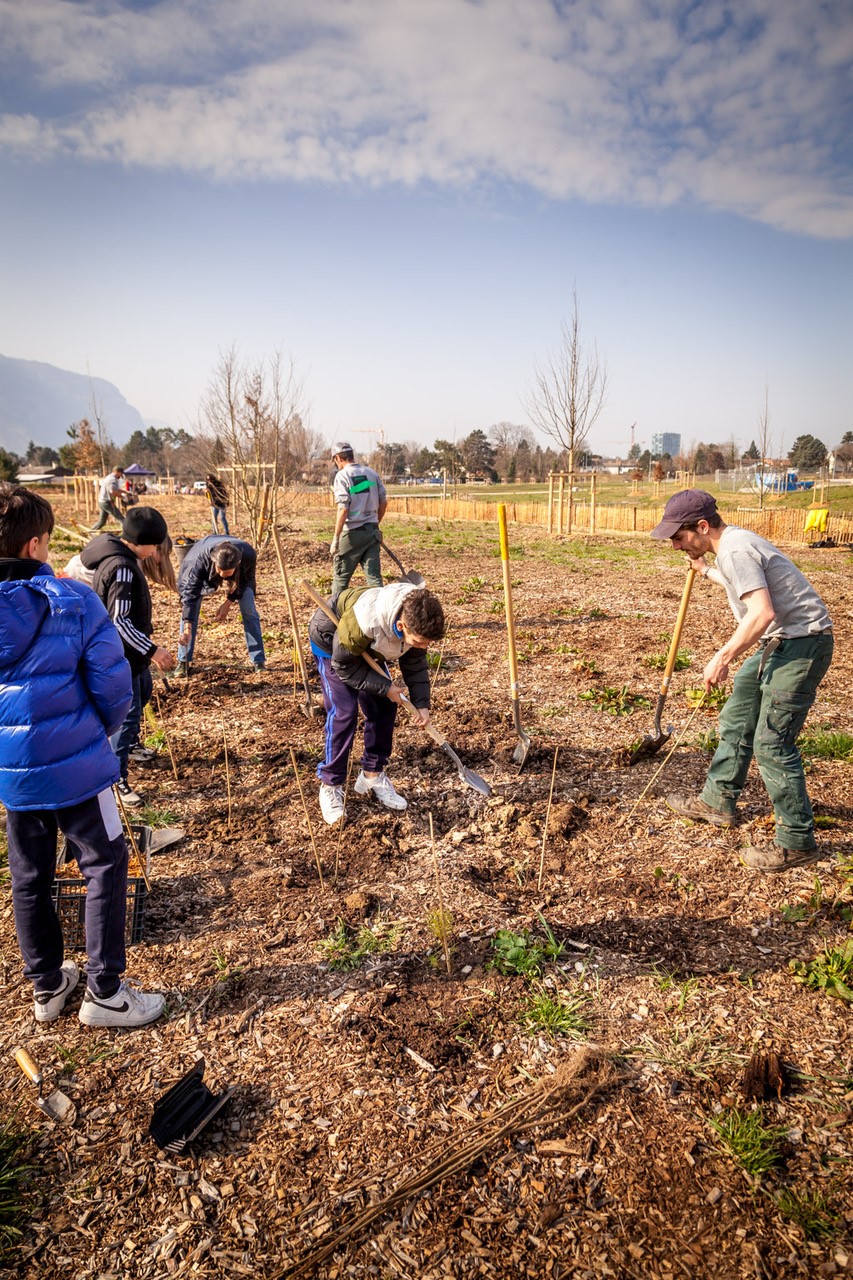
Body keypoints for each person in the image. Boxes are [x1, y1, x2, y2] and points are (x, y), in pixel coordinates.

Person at [0, 482, 165, 1027]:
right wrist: (97, 736)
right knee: (106, 861)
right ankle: (107, 993)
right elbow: (115, 687)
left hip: (15, 775)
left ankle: (47, 987)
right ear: (34, 546)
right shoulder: (72, 599)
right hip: (78, 768)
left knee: (28, 874)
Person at [651, 489, 834, 873]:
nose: (675, 546)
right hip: (779, 643)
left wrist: (723, 656)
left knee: (772, 742)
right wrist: (706, 571)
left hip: (802, 644)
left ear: (702, 527)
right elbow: (743, 586)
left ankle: (797, 841)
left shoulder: (735, 549)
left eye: (679, 537)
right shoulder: (730, 549)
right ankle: (717, 800)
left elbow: (762, 612)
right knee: (736, 718)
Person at [308, 582, 446, 825]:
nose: (424, 647)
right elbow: (344, 666)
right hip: (334, 643)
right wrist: (385, 687)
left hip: (369, 646)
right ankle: (331, 783)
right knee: (344, 713)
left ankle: (372, 774)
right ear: (402, 626)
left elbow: (414, 664)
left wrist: (422, 704)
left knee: (384, 706)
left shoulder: (415, 616)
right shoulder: (366, 621)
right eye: (420, 640)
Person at [81, 507, 176, 806]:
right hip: (120, 657)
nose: (156, 551)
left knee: (143, 692)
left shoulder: (126, 560)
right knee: (127, 715)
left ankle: (130, 745)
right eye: (156, 545)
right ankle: (116, 780)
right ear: (144, 542)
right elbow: (119, 622)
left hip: (131, 657)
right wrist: (153, 650)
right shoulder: (122, 567)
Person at [175, 535, 265, 676]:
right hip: (199, 557)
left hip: (242, 571)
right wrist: (187, 626)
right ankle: (183, 661)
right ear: (213, 561)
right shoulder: (200, 560)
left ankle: (258, 660)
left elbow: (244, 582)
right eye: (219, 570)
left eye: (227, 572)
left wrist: (228, 602)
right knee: (190, 609)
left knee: (248, 609)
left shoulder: (248, 555)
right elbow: (190, 594)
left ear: (238, 563)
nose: (222, 575)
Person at [329, 443, 387, 596]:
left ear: (338, 458)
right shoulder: (371, 474)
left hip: (352, 535)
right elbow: (384, 503)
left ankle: (335, 615)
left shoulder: (342, 476)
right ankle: (381, 615)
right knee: (374, 579)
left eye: (335, 460)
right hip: (372, 532)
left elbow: (343, 509)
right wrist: (374, 524)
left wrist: (336, 538)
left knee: (341, 578)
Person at [91, 466, 125, 531]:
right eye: (121, 473)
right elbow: (112, 492)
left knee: (102, 521)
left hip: (102, 501)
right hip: (107, 502)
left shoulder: (109, 477)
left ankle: (92, 531)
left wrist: (126, 492)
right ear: (117, 472)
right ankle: (126, 536)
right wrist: (123, 497)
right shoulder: (113, 479)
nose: (121, 475)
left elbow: (116, 489)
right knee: (121, 519)